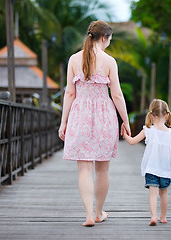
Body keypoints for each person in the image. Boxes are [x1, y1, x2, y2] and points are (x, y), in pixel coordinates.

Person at [58, 20, 131, 227]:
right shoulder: (109, 61)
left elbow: (70, 93)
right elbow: (116, 95)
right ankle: (99, 212)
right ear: (103, 38)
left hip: (79, 115)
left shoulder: (73, 60)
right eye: (110, 39)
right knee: (102, 170)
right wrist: (125, 120)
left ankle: (88, 214)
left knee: (84, 169)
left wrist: (63, 122)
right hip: (104, 117)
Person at [123, 99, 171, 226]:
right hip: (166, 168)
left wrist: (125, 135)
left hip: (151, 168)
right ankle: (163, 216)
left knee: (153, 192)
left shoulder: (148, 130)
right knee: (164, 192)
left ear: (151, 115)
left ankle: (154, 217)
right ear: (167, 115)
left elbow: (133, 141)